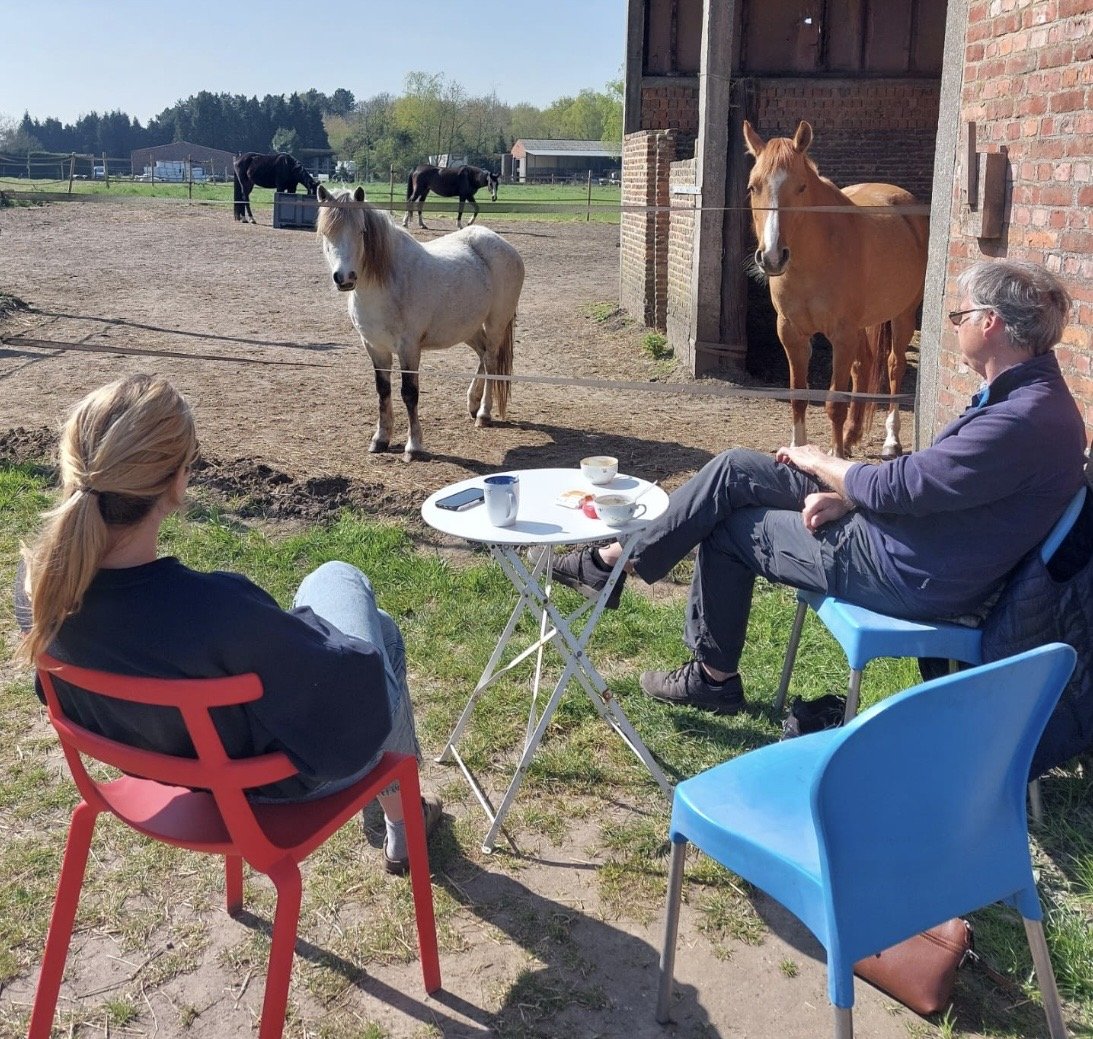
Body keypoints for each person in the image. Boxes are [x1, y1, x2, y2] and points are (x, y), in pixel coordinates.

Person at [552, 259, 1088, 714]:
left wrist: (824, 463)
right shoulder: (1027, 399)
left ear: (990, 323)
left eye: (960, 316)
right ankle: (613, 564)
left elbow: (902, 487)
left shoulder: (1021, 418)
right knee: (736, 469)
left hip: (910, 569)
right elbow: (936, 485)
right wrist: (851, 495)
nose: (954, 326)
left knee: (733, 529)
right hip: (918, 543)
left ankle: (706, 673)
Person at [15, 373, 440, 875]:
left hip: (164, 764)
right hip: (268, 784)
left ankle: (402, 823)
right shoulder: (220, 611)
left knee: (366, 626)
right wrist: (310, 633)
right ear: (178, 482)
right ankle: (403, 823)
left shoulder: (36, 592)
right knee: (347, 591)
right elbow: (354, 710)